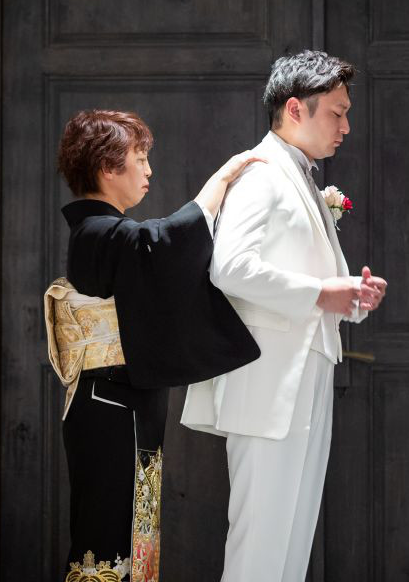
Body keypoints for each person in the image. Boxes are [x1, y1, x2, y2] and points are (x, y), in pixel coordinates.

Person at [182, 50, 389, 582]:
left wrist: (352, 297)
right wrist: (321, 293)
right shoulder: (262, 173)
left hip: (307, 375)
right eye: (337, 113)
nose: (347, 127)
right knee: (261, 547)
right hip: (269, 385)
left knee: (292, 545)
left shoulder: (301, 176)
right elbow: (230, 268)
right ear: (295, 109)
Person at [46, 109, 262, 582]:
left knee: (132, 537)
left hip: (120, 402)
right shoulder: (95, 232)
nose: (149, 170)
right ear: (108, 167)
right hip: (108, 406)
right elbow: (161, 244)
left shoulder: (104, 233)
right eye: (139, 158)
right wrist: (220, 182)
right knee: (105, 543)